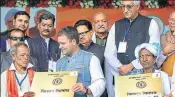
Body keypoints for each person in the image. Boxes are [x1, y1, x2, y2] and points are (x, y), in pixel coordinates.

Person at [104, 1, 161, 97]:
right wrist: (121, 68)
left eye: (129, 7)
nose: (125, 10)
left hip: (144, 78)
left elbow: (155, 51)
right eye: (123, 6)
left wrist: (131, 66)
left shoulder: (150, 23)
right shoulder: (116, 25)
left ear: (137, 6)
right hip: (121, 76)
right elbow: (108, 53)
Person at [56, 26, 105, 97]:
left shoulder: (91, 58)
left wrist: (86, 89)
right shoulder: (59, 62)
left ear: (73, 42)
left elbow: (100, 83)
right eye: (59, 43)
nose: (60, 47)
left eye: (63, 43)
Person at [160, 10, 175, 77]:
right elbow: (156, 63)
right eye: (172, 19)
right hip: (167, 75)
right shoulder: (162, 37)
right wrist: (164, 52)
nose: (173, 22)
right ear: (168, 20)